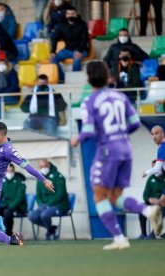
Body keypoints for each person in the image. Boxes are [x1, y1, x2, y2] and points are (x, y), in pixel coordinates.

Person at [70, 61, 163, 250]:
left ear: (89, 79)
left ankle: (125, 231)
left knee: (99, 195)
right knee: (114, 196)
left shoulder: (90, 100)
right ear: (107, 77)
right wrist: (120, 134)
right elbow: (136, 123)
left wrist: (76, 138)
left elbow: (87, 131)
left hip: (107, 151)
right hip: (125, 149)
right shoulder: (120, 97)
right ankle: (143, 214)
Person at [29, 159, 69, 240]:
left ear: (49, 166)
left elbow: (61, 194)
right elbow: (38, 195)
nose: (43, 168)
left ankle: (50, 232)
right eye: (41, 167)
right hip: (45, 205)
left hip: (59, 205)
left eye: (45, 166)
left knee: (44, 214)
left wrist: (48, 204)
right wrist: (40, 205)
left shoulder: (58, 176)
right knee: (32, 216)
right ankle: (52, 229)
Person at [50, 7, 88, 82]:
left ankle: (74, 79)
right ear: (66, 15)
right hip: (67, 50)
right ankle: (62, 78)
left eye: (73, 13)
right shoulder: (61, 25)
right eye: (68, 14)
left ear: (76, 14)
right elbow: (54, 38)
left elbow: (85, 39)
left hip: (81, 49)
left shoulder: (82, 24)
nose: (71, 15)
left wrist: (79, 51)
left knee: (76, 58)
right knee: (53, 58)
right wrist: (53, 52)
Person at [139, 160, 165, 239]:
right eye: (153, 168)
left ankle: (153, 233)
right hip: (152, 202)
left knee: (161, 211)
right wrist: (149, 200)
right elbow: (145, 195)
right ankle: (143, 233)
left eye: (157, 168)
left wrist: (159, 201)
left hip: (162, 202)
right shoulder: (150, 179)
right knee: (141, 209)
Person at [0, 164, 27, 236]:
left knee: (7, 212)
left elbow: (20, 197)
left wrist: (10, 207)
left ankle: (9, 233)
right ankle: (0, 233)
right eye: (7, 171)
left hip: (18, 206)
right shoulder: (3, 181)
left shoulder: (20, 180)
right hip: (6, 205)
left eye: (11, 171)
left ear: (14, 171)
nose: (9, 173)